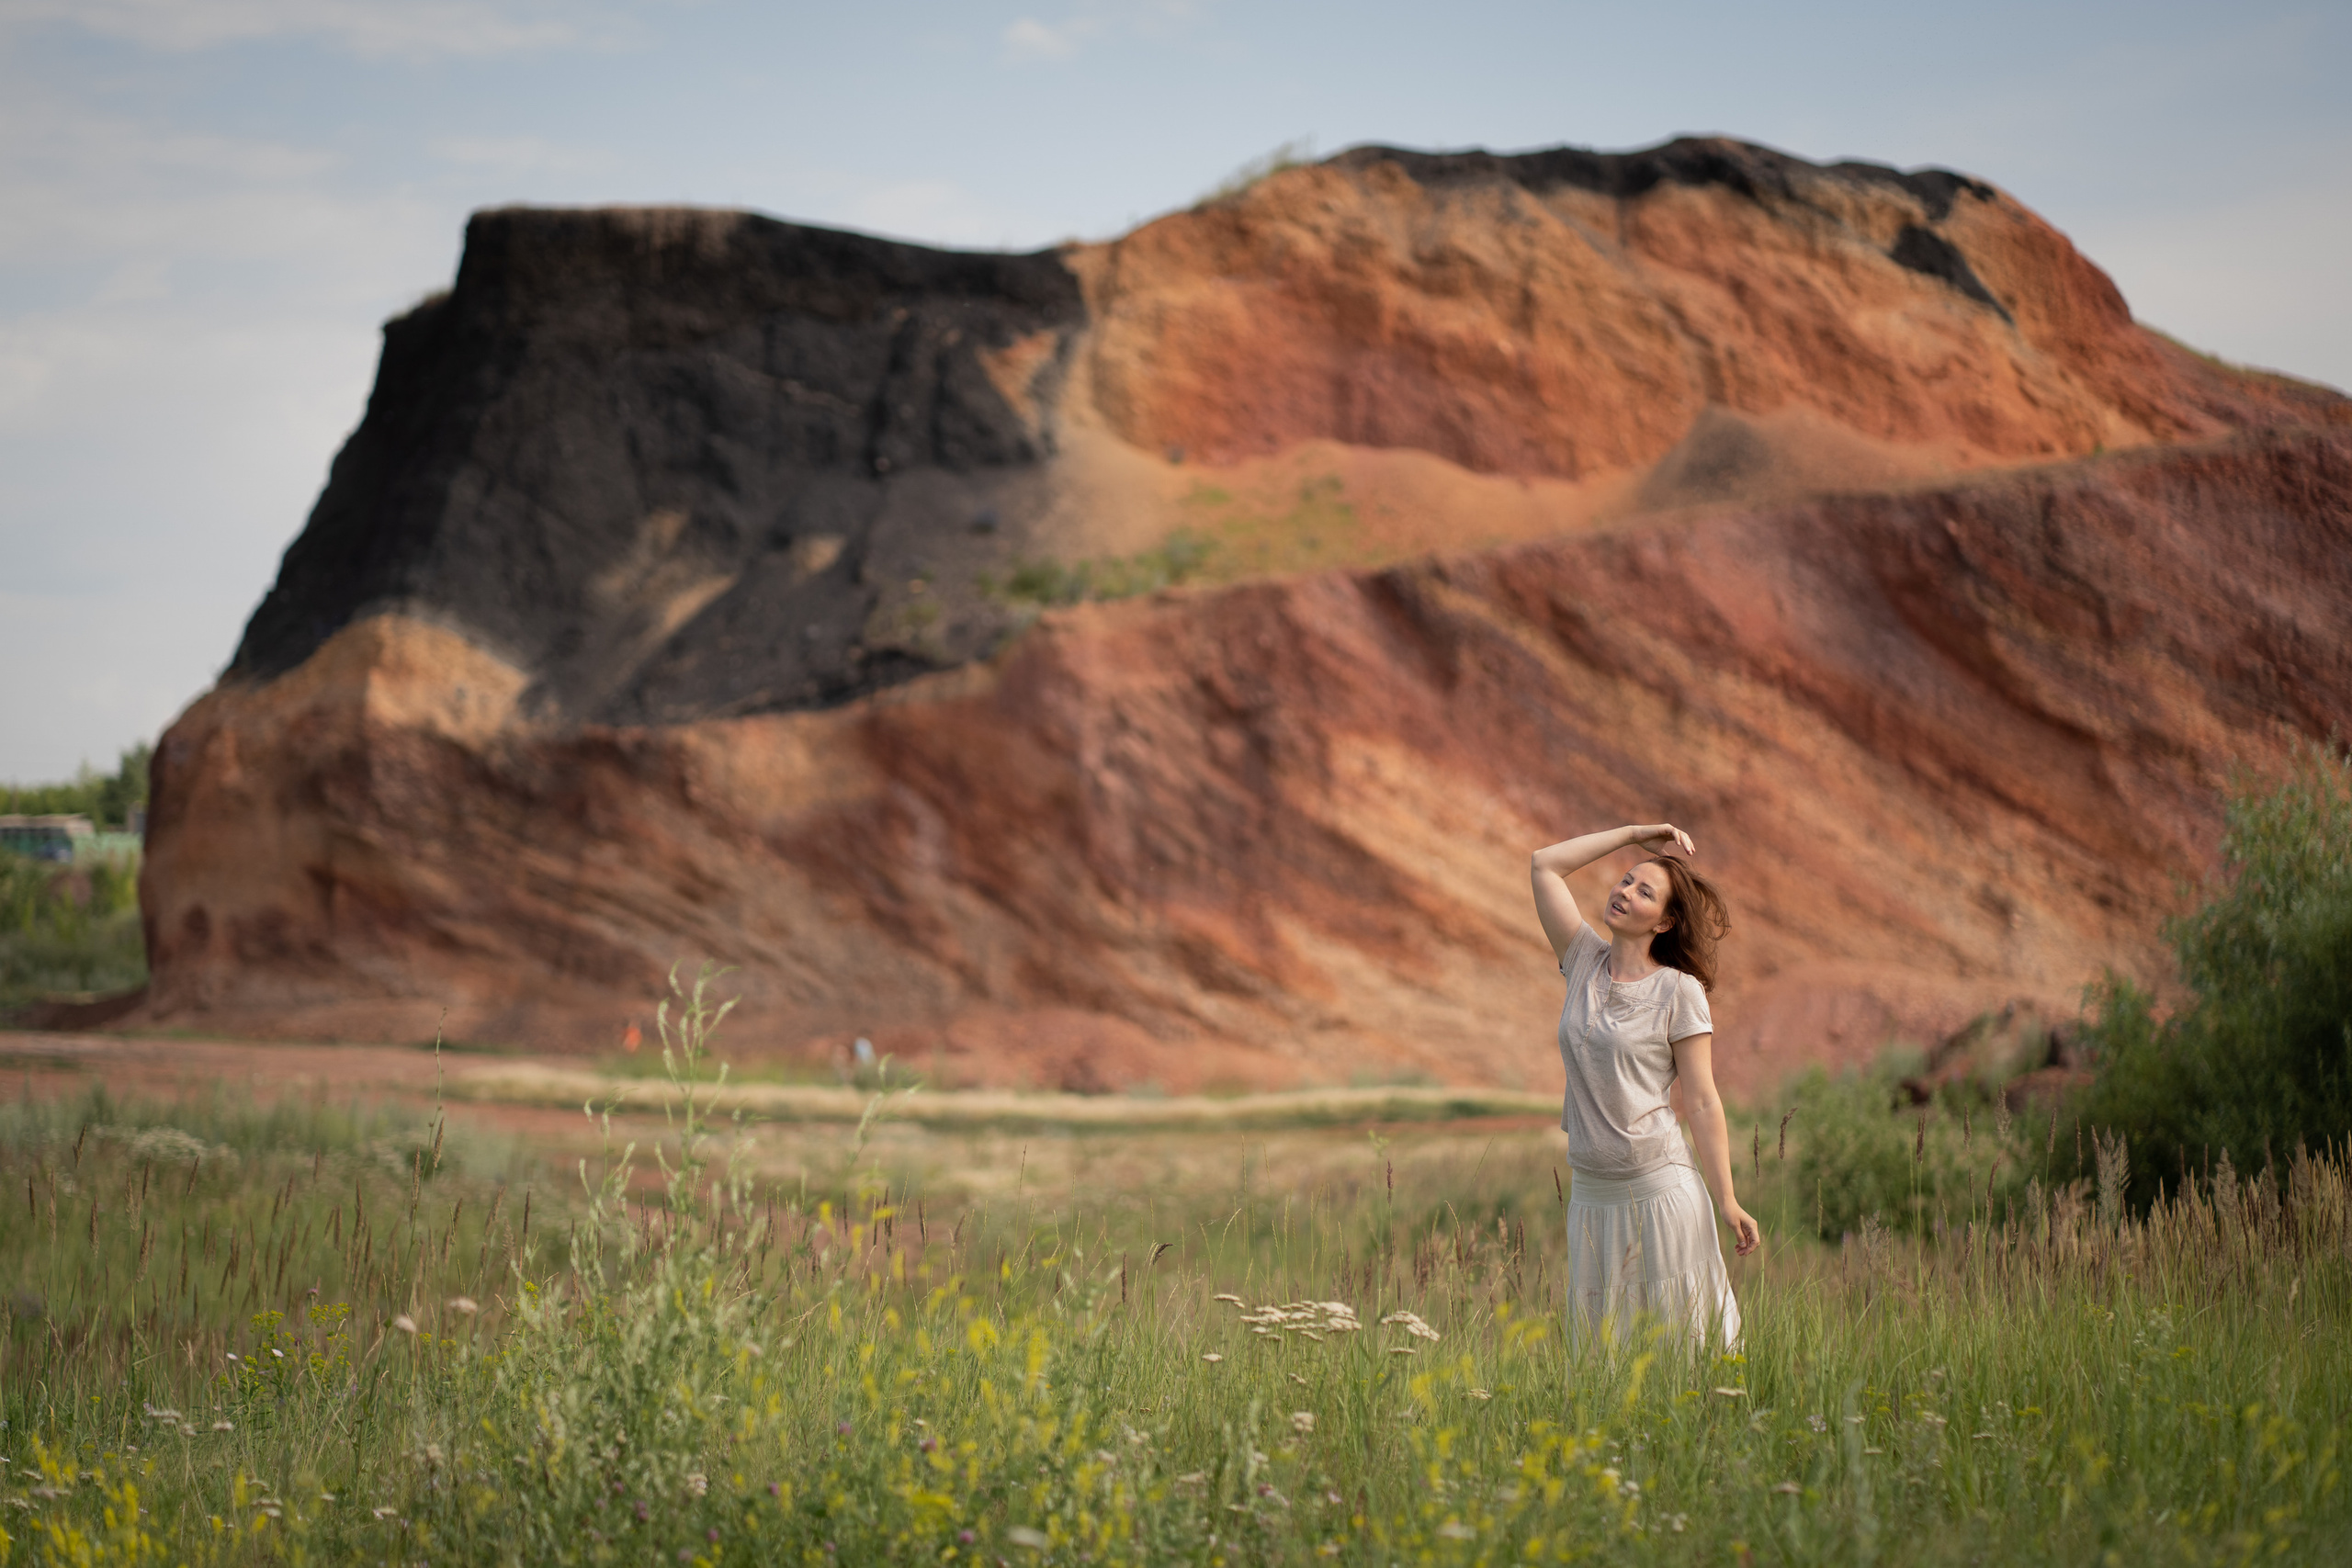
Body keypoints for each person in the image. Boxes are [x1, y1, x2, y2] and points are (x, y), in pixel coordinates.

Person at [1531, 822, 1757, 1351]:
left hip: (1660, 1191)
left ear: (1666, 922)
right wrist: (1634, 833)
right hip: (1590, 1195)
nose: (1625, 893)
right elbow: (1544, 864)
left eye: (1644, 892)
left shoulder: (1679, 991)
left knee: (1684, 1348)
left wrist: (1727, 1198)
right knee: (1603, 1357)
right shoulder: (1583, 959)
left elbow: (1701, 1101)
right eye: (1626, 881)